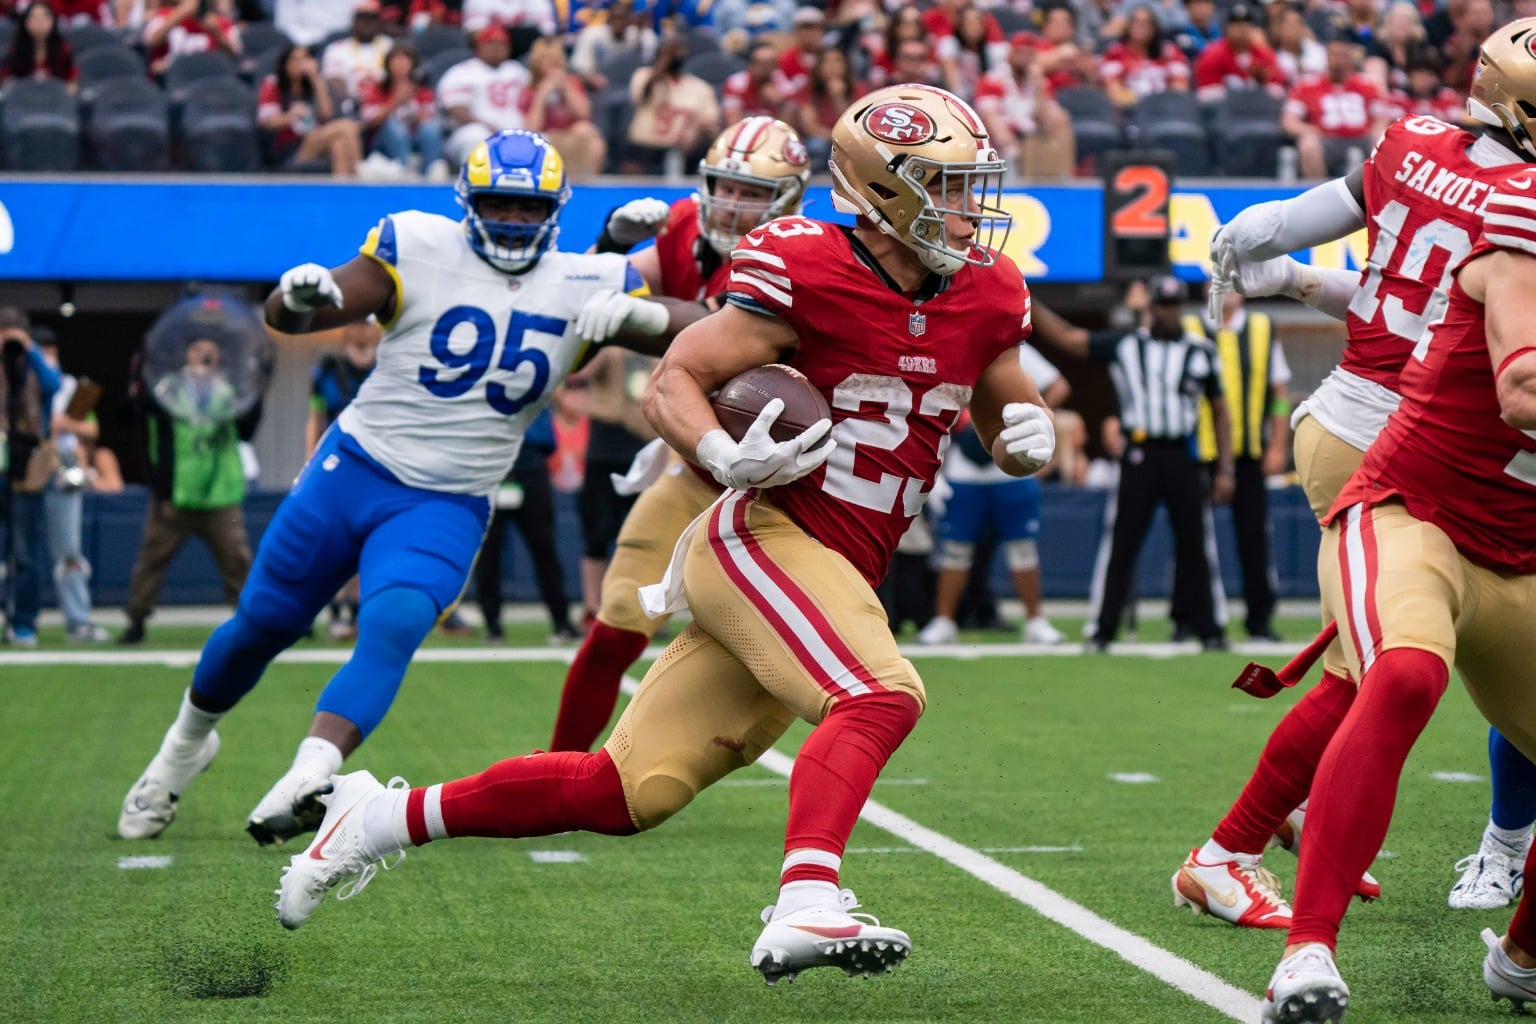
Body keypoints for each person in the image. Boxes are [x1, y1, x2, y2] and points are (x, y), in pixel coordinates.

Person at [270, 86, 1054, 992]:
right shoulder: (807, 263)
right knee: (880, 694)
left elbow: (1007, 409)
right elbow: (676, 377)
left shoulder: (989, 290)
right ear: (884, 191)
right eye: (947, 187)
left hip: (844, 564)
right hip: (766, 534)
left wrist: (1027, 441)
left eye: (970, 186)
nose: (969, 208)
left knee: (624, 791)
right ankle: (806, 899)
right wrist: (721, 450)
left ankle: (379, 820)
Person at [117, 129, 699, 847]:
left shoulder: (586, 281)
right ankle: (181, 749)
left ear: (554, 210)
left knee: (391, 626)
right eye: (499, 204)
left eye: (529, 208)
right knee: (264, 623)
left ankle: (312, 767)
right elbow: (307, 309)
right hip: (355, 469)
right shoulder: (417, 244)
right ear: (467, 202)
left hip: (448, 499)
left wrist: (645, 313)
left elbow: (712, 330)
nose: (514, 220)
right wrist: (294, 300)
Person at [1184, 25, 1536, 937]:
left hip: (1348, 413)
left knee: (1374, 668)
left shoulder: (1410, 143)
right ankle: (1230, 851)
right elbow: (1466, 340)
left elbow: (1386, 285)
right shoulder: (1520, 204)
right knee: (1375, 673)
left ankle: (1290, 818)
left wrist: (1295, 275)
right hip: (1417, 446)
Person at [1254, 89, 1536, 1024]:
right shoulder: (1520, 230)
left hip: (1524, 558)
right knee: (1403, 674)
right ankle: (1307, 951)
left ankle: (1523, 958)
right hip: (1417, 511)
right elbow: (1524, 388)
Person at [548, 115, 810, 752]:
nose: (733, 203)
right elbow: (578, 303)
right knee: (617, 620)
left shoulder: (797, 253)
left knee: (785, 658)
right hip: (695, 469)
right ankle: (554, 768)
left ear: (788, 198)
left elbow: (723, 325)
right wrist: (606, 248)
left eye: (752, 192)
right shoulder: (685, 230)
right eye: (726, 186)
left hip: (783, 494)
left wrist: (646, 312)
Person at [1049, 275, 1233, 650]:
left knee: (1196, 545)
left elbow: (1220, 411)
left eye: (1174, 305)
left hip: (1183, 452)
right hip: (1139, 453)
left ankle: (1210, 629)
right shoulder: (1125, 345)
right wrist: (1025, 299)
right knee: (1122, 542)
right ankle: (1102, 629)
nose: (1168, 312)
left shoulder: (1201, 350)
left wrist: (1224, 466)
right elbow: (1069, 338)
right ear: (1150, 307)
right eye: (1162, 305)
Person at [917, 341, 1068, 647]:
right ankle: (944, 620)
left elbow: (1057, 386)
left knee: (1022, 548)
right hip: (965, 466)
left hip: (1011, 466)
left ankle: (1036, 620)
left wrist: (1039, 431)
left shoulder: (1015, 347)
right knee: (956, 549)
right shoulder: (954, 340)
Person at [120, 328, 263, 645]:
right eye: (197, 349)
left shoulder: (230, 391)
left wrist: (257, 390)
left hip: (219, 493)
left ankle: (251, 622)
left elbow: (246, 431)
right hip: (175, 494)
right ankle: (136, 620)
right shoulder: (166, 389)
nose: (203, 356)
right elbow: (133, 415)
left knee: (237, 561)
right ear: (186, 355)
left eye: (209, 351)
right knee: (152, 558)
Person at [1186, 288, 1291, 641]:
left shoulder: (1261, 328)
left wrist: (1278, 444)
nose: (1225, 291)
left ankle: (1259, 620)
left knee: (1254, 538)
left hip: (1249, 452)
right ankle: (1187, 618)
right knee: (1191, 539)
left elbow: (1279, 394)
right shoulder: (1189, 327)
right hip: (1198, 451)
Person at [475, 407, 575, 644]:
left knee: (544, 548)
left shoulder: (534, 376)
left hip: (530, 469)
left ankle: (561, 621)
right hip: (491, 471)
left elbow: (545, 435)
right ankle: (492, 624)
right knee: (489, 552)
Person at [306, 319, 379, 640]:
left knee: (369, 542)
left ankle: (364, 611)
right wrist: (311, 461)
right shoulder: (328, 369)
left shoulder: (388, 367)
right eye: (357, 325)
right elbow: (315, 417)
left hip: (379, 466)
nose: (362, 332)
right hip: (339, 465)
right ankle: (338, 611)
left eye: (368, 325)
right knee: (338, 541)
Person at [36, 329, 109, 643]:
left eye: (48, 351)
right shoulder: (11, 385)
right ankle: (18, 620)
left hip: (61, 471)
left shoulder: (68, 388)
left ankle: (78, 621)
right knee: (16, 554)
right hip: (23, 471)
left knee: (69, 551)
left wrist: (63, 424)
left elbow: (91, 428)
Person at [0, 307, 61, 648]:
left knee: (24, 551)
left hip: (29, 470)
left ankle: (23, 622)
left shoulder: (38, 368)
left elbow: (52, 385)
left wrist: (29, 349)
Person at [1281, 33, 1394, 179]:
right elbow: (1289, 122)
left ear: (1350, 58)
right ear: (1326, 56)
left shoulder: (1367, 85)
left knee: (1381, 136)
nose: (1339, 60)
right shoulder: (1306, 85)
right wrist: (1311, 130)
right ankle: (1318, 193)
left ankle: (1380, 189)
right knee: (1308, 143)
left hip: (1360, 137)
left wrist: (1377, 129)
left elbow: (1382, 118)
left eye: (1343, 55)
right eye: (1335, 54)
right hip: (1325, 139)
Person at [258, 42, 364, 177]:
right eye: (294, 60)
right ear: (285, 63)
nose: (299, 64)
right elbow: (266, 122)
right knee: (347, 127)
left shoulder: (314, 86)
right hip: (290, 147)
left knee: (339, 144)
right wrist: (291, 115)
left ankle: (341, 192)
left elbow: (327, 114)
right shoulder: (272, 84)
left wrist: (315, 79)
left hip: (316, 141)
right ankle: (362, 180)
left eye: (304, 59)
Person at [438, 23, 530, 169]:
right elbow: (455, 108)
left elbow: (532, 100)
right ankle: (474, 185)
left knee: (542, 139)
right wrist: (488, 127)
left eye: (502, 44)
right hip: (474, 131)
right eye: (491, 44)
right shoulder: (463, 71)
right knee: (476, 136)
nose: (497, 48)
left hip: (515, 134)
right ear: (478, 46)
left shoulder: (518, 71)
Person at [1, 0, 76, 87]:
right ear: (26, 22)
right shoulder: (15, 50)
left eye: (45, 17)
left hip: (54, 98)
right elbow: (6, 84)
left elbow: (71, 82)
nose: (40, 23)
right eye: (35, 18)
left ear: (53, 21)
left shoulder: (63, 50)